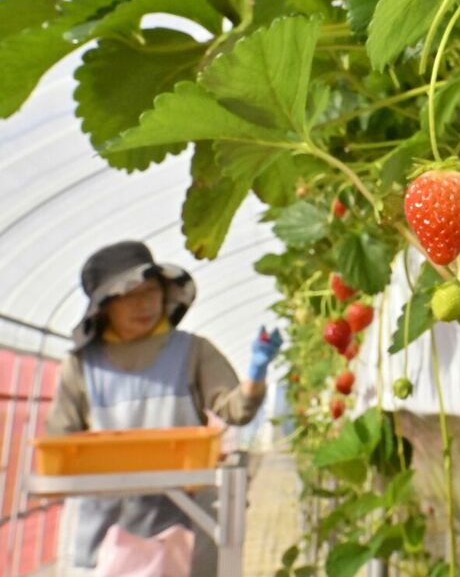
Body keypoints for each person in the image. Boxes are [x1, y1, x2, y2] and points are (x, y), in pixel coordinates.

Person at [44, 240, 283, 575]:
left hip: (186, 516)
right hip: (106, 526)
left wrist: (255, 377)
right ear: (105, 306)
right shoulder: (81, 366)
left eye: (151, 291)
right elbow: (59, 445)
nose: (144, 304)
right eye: (130, 295)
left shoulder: (193, 351)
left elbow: (235, 410)